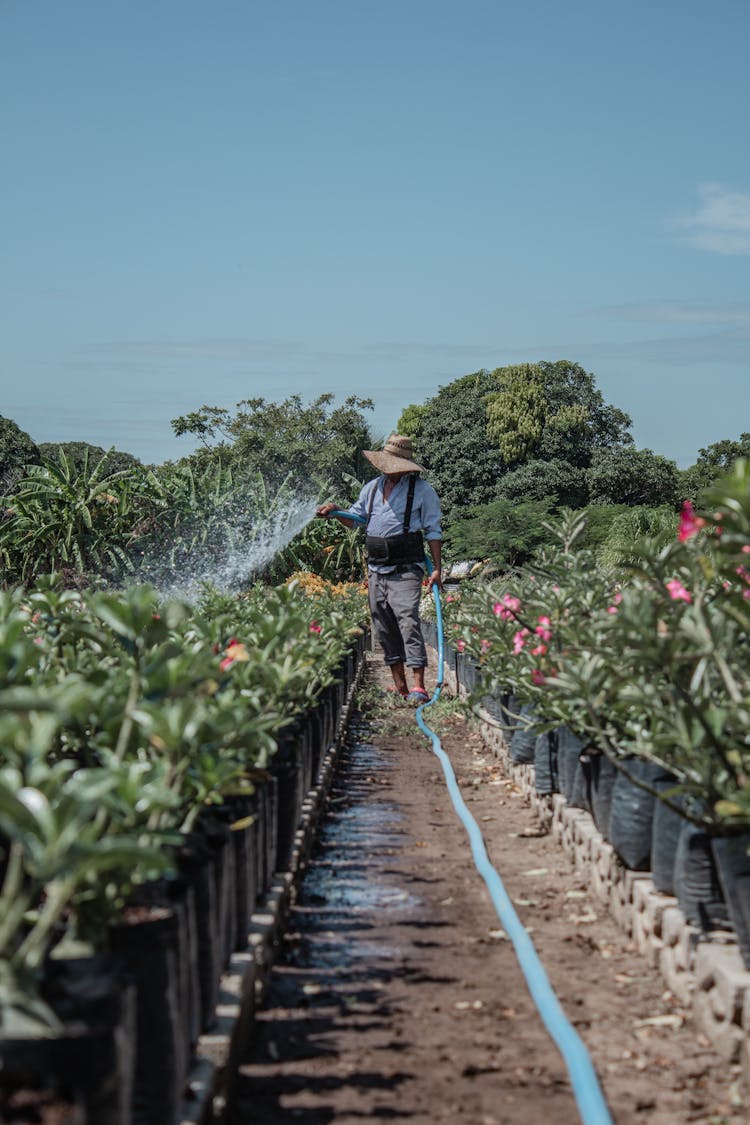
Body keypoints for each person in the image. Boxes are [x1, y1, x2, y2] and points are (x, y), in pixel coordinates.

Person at [317, 434, 442, 703]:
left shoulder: (422, 491)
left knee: (408, 619)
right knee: (383, 627)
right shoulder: (372, 488)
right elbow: (355, 520)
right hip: (377, 568)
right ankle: (400, 688)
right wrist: (337, 511)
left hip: (406, 567)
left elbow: (433, 531)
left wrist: (437, 569)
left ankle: (419, 686)